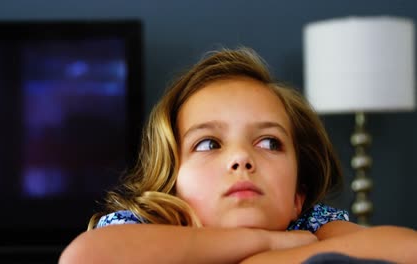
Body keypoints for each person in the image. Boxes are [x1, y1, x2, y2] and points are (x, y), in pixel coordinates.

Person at [59, 47, 417, 264]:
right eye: (209, 144)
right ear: (172, 185)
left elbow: (407, 249)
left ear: (297, 196)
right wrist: (267, 243)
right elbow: (84, 258)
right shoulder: (148, 228)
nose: (242, 160)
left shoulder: (310, 225)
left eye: (269, 143)